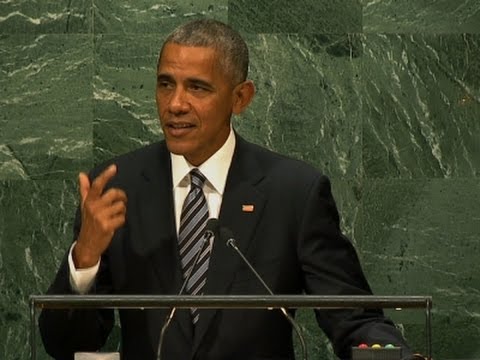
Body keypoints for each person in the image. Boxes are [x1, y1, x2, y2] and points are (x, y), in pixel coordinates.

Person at [39, 19, 418, 360]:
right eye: (165, 84)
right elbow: (66, 346)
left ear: (241, 98)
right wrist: (84, 259)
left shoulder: (293, 192)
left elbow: (354, 319)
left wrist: (390, 359)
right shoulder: (117, 186)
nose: (175, 104)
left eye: (197, 88)